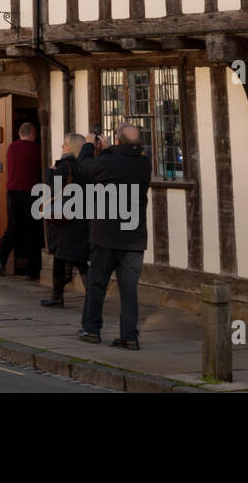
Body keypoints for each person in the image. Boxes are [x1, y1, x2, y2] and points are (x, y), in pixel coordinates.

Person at [75, 122, 151, 350]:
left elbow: (85, 168)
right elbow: (121, 163)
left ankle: (91, 329)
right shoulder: (144, 164)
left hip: (106, 235)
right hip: (134, 237)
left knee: (97, 284)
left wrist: (89, 145)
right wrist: (109, 149)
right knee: (129, 291)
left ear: (118, 141)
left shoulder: (109, 161)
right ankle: (129, 336)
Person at [40, 132, 91, 308]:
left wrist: (49, 173)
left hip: (64, 220)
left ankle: (58, 296)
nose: (62, 146)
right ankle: (64, 295)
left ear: (73, 147)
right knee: (77, 259)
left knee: (64, 259)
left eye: (65, 144)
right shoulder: (86, 166)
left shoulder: (65, 166)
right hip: (81, 218)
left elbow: (52, 190)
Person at [0, 122, 43, 280]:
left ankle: (0, 257)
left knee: (13, 227)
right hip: (30, 192)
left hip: (12, 193)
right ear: (33, 133)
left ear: (20, 133)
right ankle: (31, 271)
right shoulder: (36, 149)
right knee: (33, 231)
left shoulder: (11, 147)